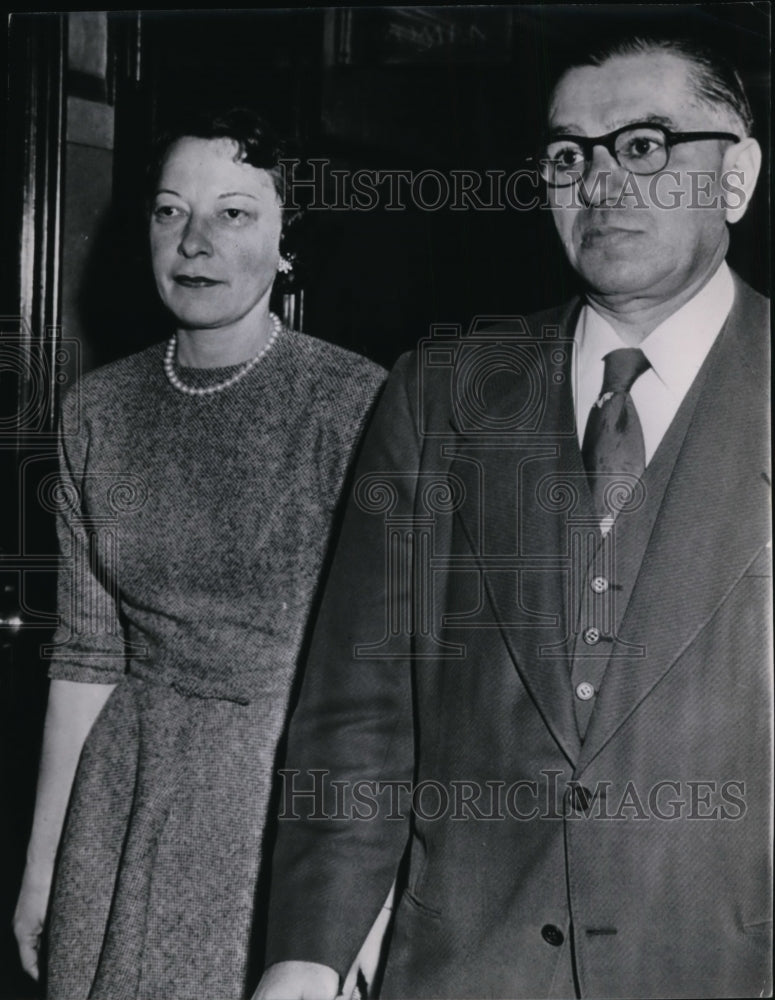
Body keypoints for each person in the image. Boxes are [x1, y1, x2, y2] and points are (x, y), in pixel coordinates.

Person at [255, 32, 771, 1000]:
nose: (601, 180)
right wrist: (305, 962)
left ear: (734, 175)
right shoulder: (439, 394)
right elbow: (361, 719)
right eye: (569, 153)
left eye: (646, 143)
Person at [12, 107, 386, 999]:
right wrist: (40, 870)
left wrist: (366, 904)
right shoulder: (97, 409)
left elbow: (392, 679)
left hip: (278, 804)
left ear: (289, 241)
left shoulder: (355, 403)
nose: (194, 242)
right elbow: (87, 657)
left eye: (234, 213)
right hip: (122, 799)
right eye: (170, 212)